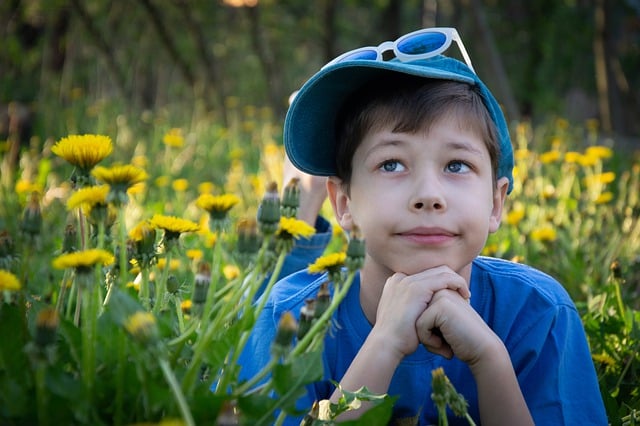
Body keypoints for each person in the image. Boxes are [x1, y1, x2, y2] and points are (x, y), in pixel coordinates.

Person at [238, 27, 607, 425]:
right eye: (391, 164)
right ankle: (304, 196)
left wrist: (491, 360)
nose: (429, 195)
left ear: (496, 203)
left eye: (456, 165)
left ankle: (306, 192)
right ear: (344, 203)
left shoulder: (540, 312)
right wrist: (383, 344)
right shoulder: (287, 318)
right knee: (262, 296)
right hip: (305, 294)